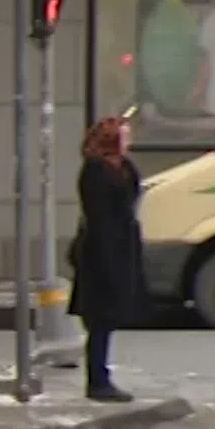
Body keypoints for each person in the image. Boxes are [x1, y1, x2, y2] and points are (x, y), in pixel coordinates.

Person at [68, 115, 147, 403]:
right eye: (124, 136)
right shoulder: (95, 172)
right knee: (99, 320)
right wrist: (109, 262)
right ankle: (97, 381)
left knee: (108, 320)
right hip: (101, 253)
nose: (130, 141)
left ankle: (102, 378)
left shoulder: (123, 168)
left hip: (121, 248)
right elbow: (99, 218)